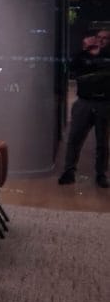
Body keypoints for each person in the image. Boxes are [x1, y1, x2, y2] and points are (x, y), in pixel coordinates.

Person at [58, 29, 110, 187]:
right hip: (83, 102)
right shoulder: (83, 55)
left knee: (102, 143)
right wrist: (84, 50)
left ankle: (101, 174)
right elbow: (71, 67)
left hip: (104, 103)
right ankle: (69, 171)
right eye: (98, 37)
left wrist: (96, 57)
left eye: (105, 38)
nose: (101, 40)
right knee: (74, 138)